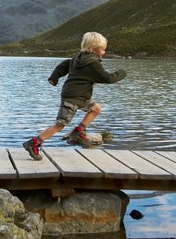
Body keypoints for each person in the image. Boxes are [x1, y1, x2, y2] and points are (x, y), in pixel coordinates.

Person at [23, 32, 127, 161]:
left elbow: (64, 65)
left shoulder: (78, 58)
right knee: (60, 125)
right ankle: (34, 142)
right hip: (72, 97)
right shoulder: (92, 64)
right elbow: (108, 78)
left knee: (96, 109)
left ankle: (78, 131)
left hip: (82, 96)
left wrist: (54, 77)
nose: (104, 52)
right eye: (103, 49)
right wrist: (122, 72)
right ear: (94, 49)